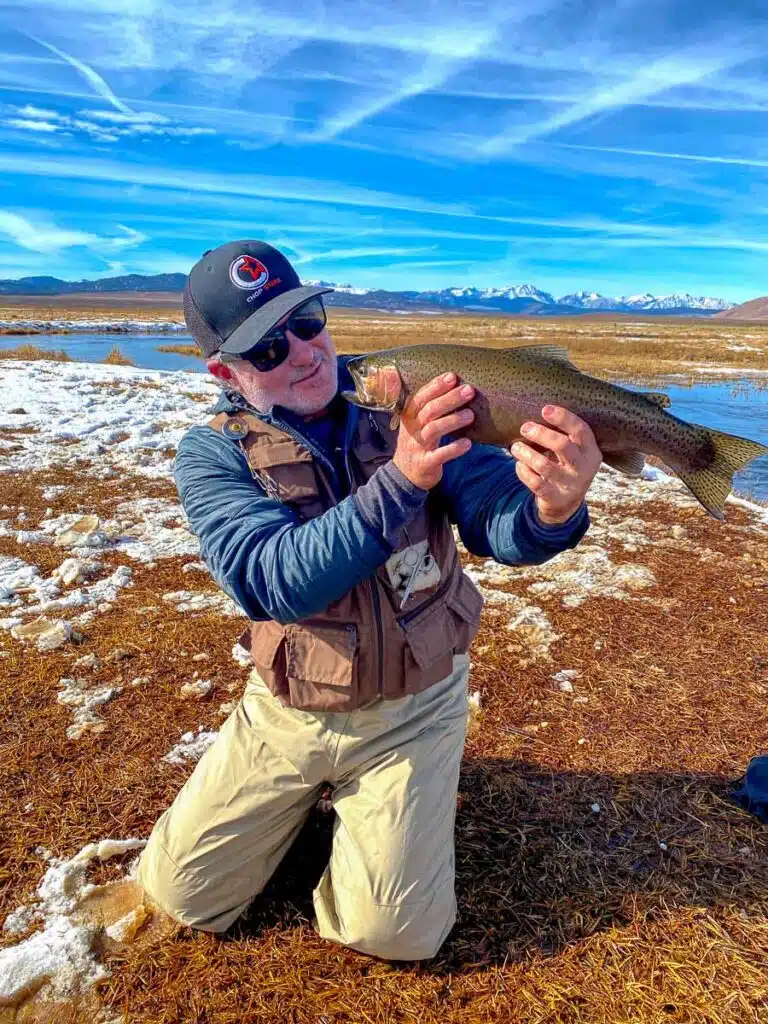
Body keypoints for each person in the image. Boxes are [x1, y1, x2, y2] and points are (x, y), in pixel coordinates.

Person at [138, 239, 602, 960]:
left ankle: (381, 811)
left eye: (307, 322)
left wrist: (552, 510)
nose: (303, 352)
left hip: (414, 706)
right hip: (290, 706)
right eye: (267, 349)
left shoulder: (407, 400)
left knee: (396, 934)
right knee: (180, 896)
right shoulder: (214, 453)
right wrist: (403, 480)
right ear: (225, 371)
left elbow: (493, 519)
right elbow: (269, 579)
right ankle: (305, 809)